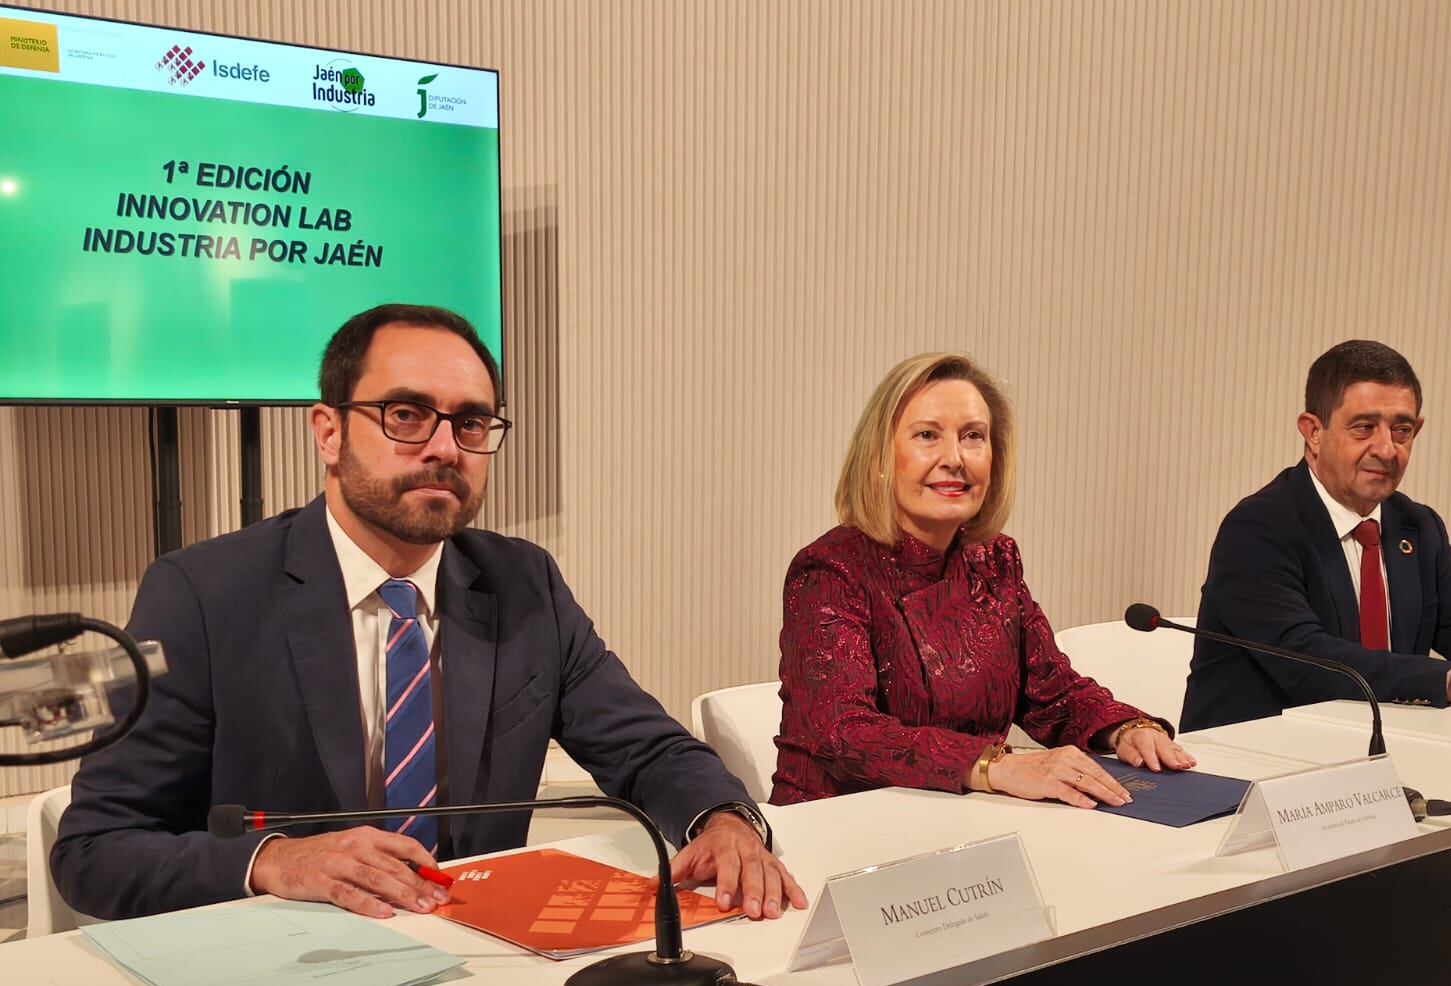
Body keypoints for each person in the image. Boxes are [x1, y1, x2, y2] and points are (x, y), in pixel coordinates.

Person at [54, 304, 806, 923]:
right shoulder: (206, 593)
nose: (445, 447)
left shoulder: (522, 584)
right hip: (284, 974)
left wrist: (724, 820)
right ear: (327, 430)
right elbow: (95, 849)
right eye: (406, 414)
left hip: (483, 956)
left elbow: (649, 752)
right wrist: (276, 861)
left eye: (472, 424)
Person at [772, 352, 1193, 808]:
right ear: (880, 456)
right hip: (842, 828)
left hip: (968, 824)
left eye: (973, 437)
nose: (954, 459)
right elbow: (843, 734)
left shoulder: (994, 559)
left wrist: (1126, 728)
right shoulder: (831, 570)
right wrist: (998, 767)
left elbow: (1051, 692)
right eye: (928, 436)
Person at [1181, 339, 1451, 732]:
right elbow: (1306, 661)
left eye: (1402, 430)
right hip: (1257, 762)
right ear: (1314, 432)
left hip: (1382, 755)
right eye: (1364, 428)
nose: (1387, 448)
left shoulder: (1416, 524)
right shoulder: (1259, 527)